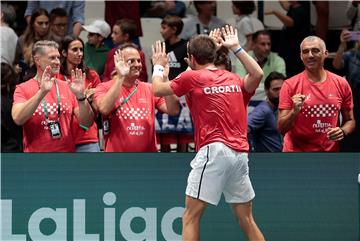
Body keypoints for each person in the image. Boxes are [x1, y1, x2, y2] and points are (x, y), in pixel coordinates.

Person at [152, 25, 265, 241]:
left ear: (192, 58)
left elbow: (157, 89)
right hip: (240, 155)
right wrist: (237, 48)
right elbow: (258, 73)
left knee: (190, 217)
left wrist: (158, 66)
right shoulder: (233, 79)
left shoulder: (192, 77)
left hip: (214, 151)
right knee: (247, 219)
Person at [93, 43, 180, 152]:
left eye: (139, 61)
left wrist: (165, 78)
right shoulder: (104, 87)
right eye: (131, 61)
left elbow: (173, 110)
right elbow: (104, 109)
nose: (137, 64)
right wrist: (120, 77)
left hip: (147, 158)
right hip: (116, 159)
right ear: (119, 62)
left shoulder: (150, 89)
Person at [12, 40, 94, 152]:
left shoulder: (67, 87)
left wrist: (81, 97)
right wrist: (41, 93)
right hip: (36, 158)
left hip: (66, 156)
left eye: (58, 58)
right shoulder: (22, 88)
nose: (57, 62)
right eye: (52, 58)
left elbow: (86, 123)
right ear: (37, 60)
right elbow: (18, 119)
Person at [278, 36, 355, 152]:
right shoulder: (290, 85)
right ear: (301, 56)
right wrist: (294, 112)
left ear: (326, 54)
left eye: (315, 50)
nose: (310, 55)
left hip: (329, 154)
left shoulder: (341, 83)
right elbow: (281, 128)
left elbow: (350, 120)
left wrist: (343, 131)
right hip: (296, 153)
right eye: (305, 52)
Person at [157, 15, 193, 152]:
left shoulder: (186, 46)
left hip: (182, 93)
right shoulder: (161, 47)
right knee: (165, 132)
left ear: (174, 29)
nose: (161, 30)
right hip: (164, 91)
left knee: (183, 132)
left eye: (164, 27)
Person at [59, 35, 101, 152]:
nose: (80, 53)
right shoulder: (56, 77)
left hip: (87, 138)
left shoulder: (91, 75)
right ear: (64, 53)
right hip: (62, 138)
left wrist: (90, 100)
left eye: (81, 49)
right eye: (74, 49)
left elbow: (98, 109)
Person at [265, 0, 311, 78]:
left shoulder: (302, 9)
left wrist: (275, 12)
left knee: (293, 72)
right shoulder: (292, 7)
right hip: (287, 47)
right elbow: (284, 4)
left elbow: (290, 22)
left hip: (295, 49)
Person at [332, 29, 360, 151]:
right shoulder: (351, 54)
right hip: (354, 99)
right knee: (352, 131)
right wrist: (342, 45)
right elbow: (336, 65)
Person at [235, 30, 286, 95]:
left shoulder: (278, 60)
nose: (267, 47)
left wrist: (252, 86)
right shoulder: (243, 59)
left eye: (269, 44)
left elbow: (281, 85)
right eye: (263, 44)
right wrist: (269, 87)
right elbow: (241, 84)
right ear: (253, 45)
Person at [248, 71, 285, 152]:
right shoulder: (263, 110)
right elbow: (246, 128)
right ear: (266, 90)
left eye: (282, 89)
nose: (280, 93)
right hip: (268, 161)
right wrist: (252, 152)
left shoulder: (279, 109)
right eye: (276, 89)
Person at [15, 8, 51, 79]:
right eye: (40, 23)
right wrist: (16, 68)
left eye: (46, 23)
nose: (44, 26)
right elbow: (15, 62)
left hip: (47, 79)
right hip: (26, 79)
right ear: (32, 24)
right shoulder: (23, 40)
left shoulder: (53, 41)